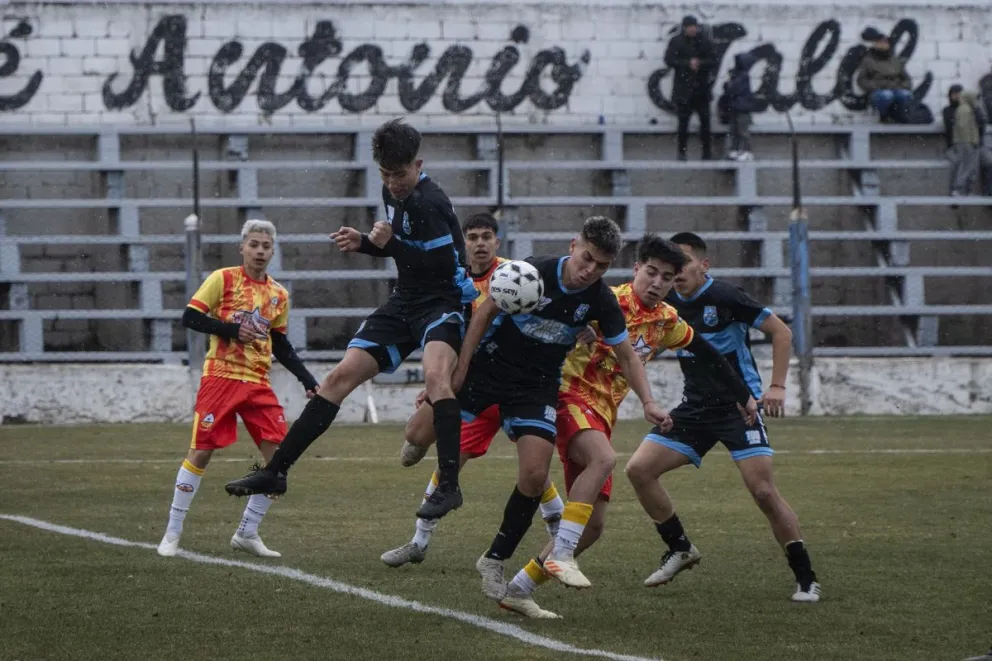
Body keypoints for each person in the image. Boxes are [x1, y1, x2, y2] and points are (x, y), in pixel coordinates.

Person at [225, 119, 477, 522]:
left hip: (443, 302)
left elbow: (445, 265)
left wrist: (386, 244)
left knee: (435, 379)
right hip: (406, 300)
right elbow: (404, 252)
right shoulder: (392, 191)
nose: (393, 183)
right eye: (386, 174)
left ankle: (449, 486)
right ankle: (277, 471)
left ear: (418, 165)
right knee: (339, 377)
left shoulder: (431, 202)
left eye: (400, 174)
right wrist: (366, 245)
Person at [500, 235, 757, 619]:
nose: (656, 282)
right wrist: (582, 328)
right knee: (604, 460)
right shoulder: (607, 299)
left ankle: (519, 588)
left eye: (666, 277)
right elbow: (564, 313)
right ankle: (562, 552)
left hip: (602, 415)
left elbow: (707, 352)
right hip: (567, 396)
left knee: (593, 527)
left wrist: (743, 393)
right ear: (636, 270)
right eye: (650, 272)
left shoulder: (666, 321)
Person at [455, 216, 671, 603]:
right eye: (586, 258)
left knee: (541, 481)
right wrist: (459, 368)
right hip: (498, 372)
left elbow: (627, 355)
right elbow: (485, 312)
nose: (590, 271)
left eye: (601, 266)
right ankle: (428, 526)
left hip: (538, 387)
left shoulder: (601, 300)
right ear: (574, 245)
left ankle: (504, 568)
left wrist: (650, 401)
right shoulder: (533, 272)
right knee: (419, 438)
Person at [624, 232, 822, 603]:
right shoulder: (665, 306)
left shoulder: (727, 297)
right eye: (667, 268)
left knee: (763, 491)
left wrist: (777, 387)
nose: (674, 273)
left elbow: (781, 332)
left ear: (703, 264)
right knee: (638, 470)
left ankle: (806, 578)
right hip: (695, 409)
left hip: (738, 408)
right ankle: (680, 547)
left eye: (682, 264)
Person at [381, 212, 567, 569]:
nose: (480, 243)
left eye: (486, 237)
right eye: (473, 237)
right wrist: (438, 382)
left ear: (497, 242)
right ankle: (418, 542)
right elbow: (443, 333)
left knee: (534, 467)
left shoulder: (517, 275)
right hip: (475, 383)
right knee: (449, 458)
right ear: (463, 243)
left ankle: (558, 530)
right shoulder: (453, 280)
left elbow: (556, 305)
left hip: (519, 382)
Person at [157, 219, 318, 558]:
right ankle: (173, 531)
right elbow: (191, 317)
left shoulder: (279, 294)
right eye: (254, 244)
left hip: (259, 382)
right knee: (201, 451)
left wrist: (307, 379)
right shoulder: (223, 279)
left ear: (273, 251)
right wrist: (231, 330)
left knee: (279, 462)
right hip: (221, 376)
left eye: (266, 246)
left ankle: (247, 532)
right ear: (242, 247)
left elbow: (281, 344)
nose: (260, 251)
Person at [665, 15, 717, 161]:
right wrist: (687, 64)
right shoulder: (676, 41)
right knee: (683, 123)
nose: (693, 29)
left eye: (694, 26)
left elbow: (714, 60)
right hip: (684, 90)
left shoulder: (705, 41)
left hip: (702, 90)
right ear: (684, 28)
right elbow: (669, 60)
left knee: (705, 123)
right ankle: (681, 152)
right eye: (690, 27)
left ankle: (706, 153)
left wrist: (700, 63)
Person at [856, 27, 913, 124]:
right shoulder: (869, 60)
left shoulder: (895, 61)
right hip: (879, 92)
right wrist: (876, 86)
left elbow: (907, 79)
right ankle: (884, 117)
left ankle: (898, 117)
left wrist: (901, 86)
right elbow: (861, 80)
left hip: (896, 90)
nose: (883, 45)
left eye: (885, 42)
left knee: (905, 95)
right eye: (880, 42)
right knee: (886, 95)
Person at [943, 85, 986, 197]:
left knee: (973, 167)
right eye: (954, 94)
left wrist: (976, 109)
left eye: (959, 94)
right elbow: (959, 128)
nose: (957, 97)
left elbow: (981, 125)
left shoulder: (971, 109)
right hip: (964, 143)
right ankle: (959, 190)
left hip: (972, 143)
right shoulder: (961, 110)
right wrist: (969, 142)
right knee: (964, 166)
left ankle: (967, 191)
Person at [724, 53, 760, 162]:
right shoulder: (738, 75)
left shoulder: (743, 76)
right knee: (734, 130)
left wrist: (729, 84)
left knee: (743, 131)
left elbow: (734, 89)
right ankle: (735, 150)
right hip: (736, 107)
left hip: (742, 108)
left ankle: (747, 151)